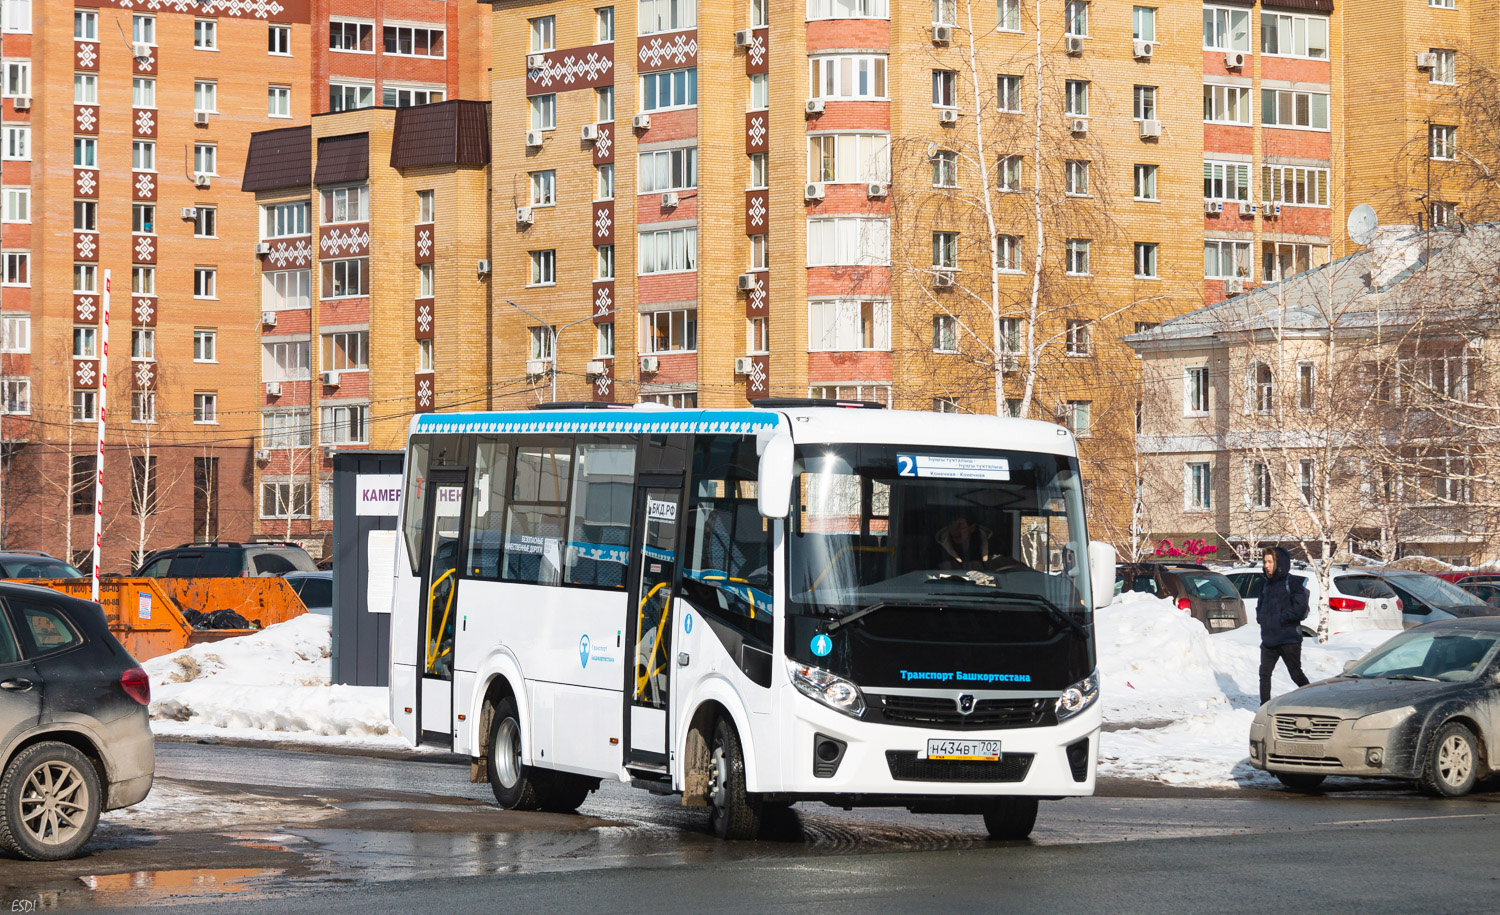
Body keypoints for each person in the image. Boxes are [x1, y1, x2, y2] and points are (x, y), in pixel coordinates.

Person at [1258, 546, 1310, 704]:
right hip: (1269, 639)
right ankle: (1264, 707)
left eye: (1269, 562)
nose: (1266, 565)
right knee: (1264, 674)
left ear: (1278, 562)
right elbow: (1261, 605)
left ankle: (1312, 700)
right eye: (1265, 562)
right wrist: (1262, 618)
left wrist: (1280, 618)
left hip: (1288, 639)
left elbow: (1300, 608)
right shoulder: (1267, 584)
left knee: (1296, 674)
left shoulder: (1291, 582)